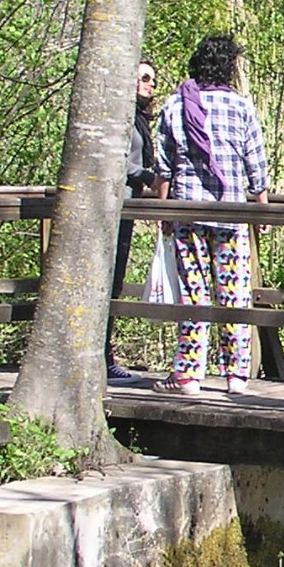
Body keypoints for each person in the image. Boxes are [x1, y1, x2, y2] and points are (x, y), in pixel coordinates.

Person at [153, 34, 270, 396]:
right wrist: (262, 207)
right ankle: (236, 374)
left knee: (194, 294)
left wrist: (162, 211)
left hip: (187, 210)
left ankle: (189, 375)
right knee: (234, 293)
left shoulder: (175, 105)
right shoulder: (241, 107)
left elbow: (164, 167)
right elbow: (256, 163)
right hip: (230, 212)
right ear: (228, 68)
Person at [106, 59, 160, 381]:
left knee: (115, 280)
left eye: (153, 80)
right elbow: (115, 159)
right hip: (114, 206)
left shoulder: (137, 119)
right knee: (108, 279)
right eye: (144, 78)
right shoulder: (119, 116)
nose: (150, 84)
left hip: (127, 205)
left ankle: (104, 356)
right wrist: (147, 176)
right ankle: (102, 358)